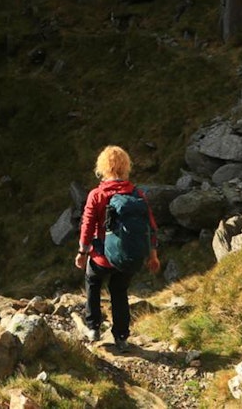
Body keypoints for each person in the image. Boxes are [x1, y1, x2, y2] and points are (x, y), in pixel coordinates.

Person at [75, 145, 160, 352]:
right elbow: (151, 225)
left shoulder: (96, 194)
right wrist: (153, 255)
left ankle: (93, 327)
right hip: (127, 257)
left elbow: (87, 226)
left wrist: (82, 253)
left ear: (102, 167)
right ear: (126, 166)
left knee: (93, 283)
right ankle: (121, 337)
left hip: (101, 256)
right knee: (119, 292)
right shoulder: (136, 194)